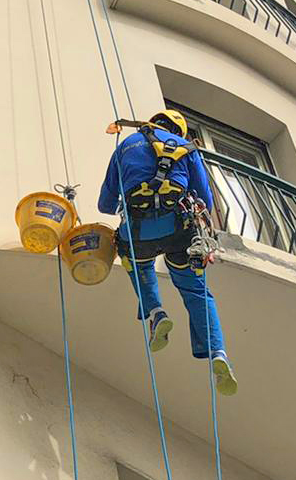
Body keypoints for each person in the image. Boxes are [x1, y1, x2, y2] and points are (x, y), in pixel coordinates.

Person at [98, 109, 236, 395]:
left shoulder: (126, 146)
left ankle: (156, 313)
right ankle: (217, 352)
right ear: (177, 130)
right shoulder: (187, 148)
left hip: (139, 233)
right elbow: (205, 199)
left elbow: (105, 205)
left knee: (138, 264)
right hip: (179, 229)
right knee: (195, 291)